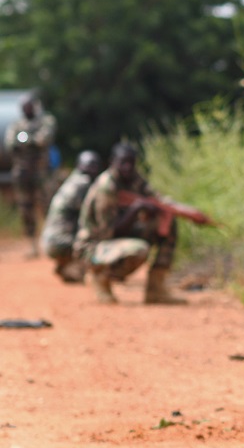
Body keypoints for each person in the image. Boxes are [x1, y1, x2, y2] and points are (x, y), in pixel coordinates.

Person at [75, 143, 185, 305]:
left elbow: (158, 200)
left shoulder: (134, 178)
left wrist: (183, 211)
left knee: (167, 222)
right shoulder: (106, 187)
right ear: (113, 162)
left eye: (131, 162)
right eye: (123, 162)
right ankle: (100, 277)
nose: (127, 167)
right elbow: (108, 232)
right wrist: (135, 210)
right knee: (138, 249)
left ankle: (156, 290)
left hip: (116, 238)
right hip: (93, 245)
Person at [4, 92, 57, 256]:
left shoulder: (46, 121)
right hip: (22, 173)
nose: (26, 109)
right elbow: (9, 143)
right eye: (24, 107)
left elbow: (44, 139)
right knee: (26, 209)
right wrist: (29, 141)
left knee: (47, 206)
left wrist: (26, 140)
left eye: (29, 106)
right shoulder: (17, 125)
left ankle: (50, 242)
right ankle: (33, 246)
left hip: (41, 172)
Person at [40, 150, 103, 283]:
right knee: (98, 235)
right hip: (59, 243)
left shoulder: (73, 180)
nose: (92, 169)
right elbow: (94, 215)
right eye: (90, 166)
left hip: (49, 241)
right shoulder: (83, 184)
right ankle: (93, 272)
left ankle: (66, 266)